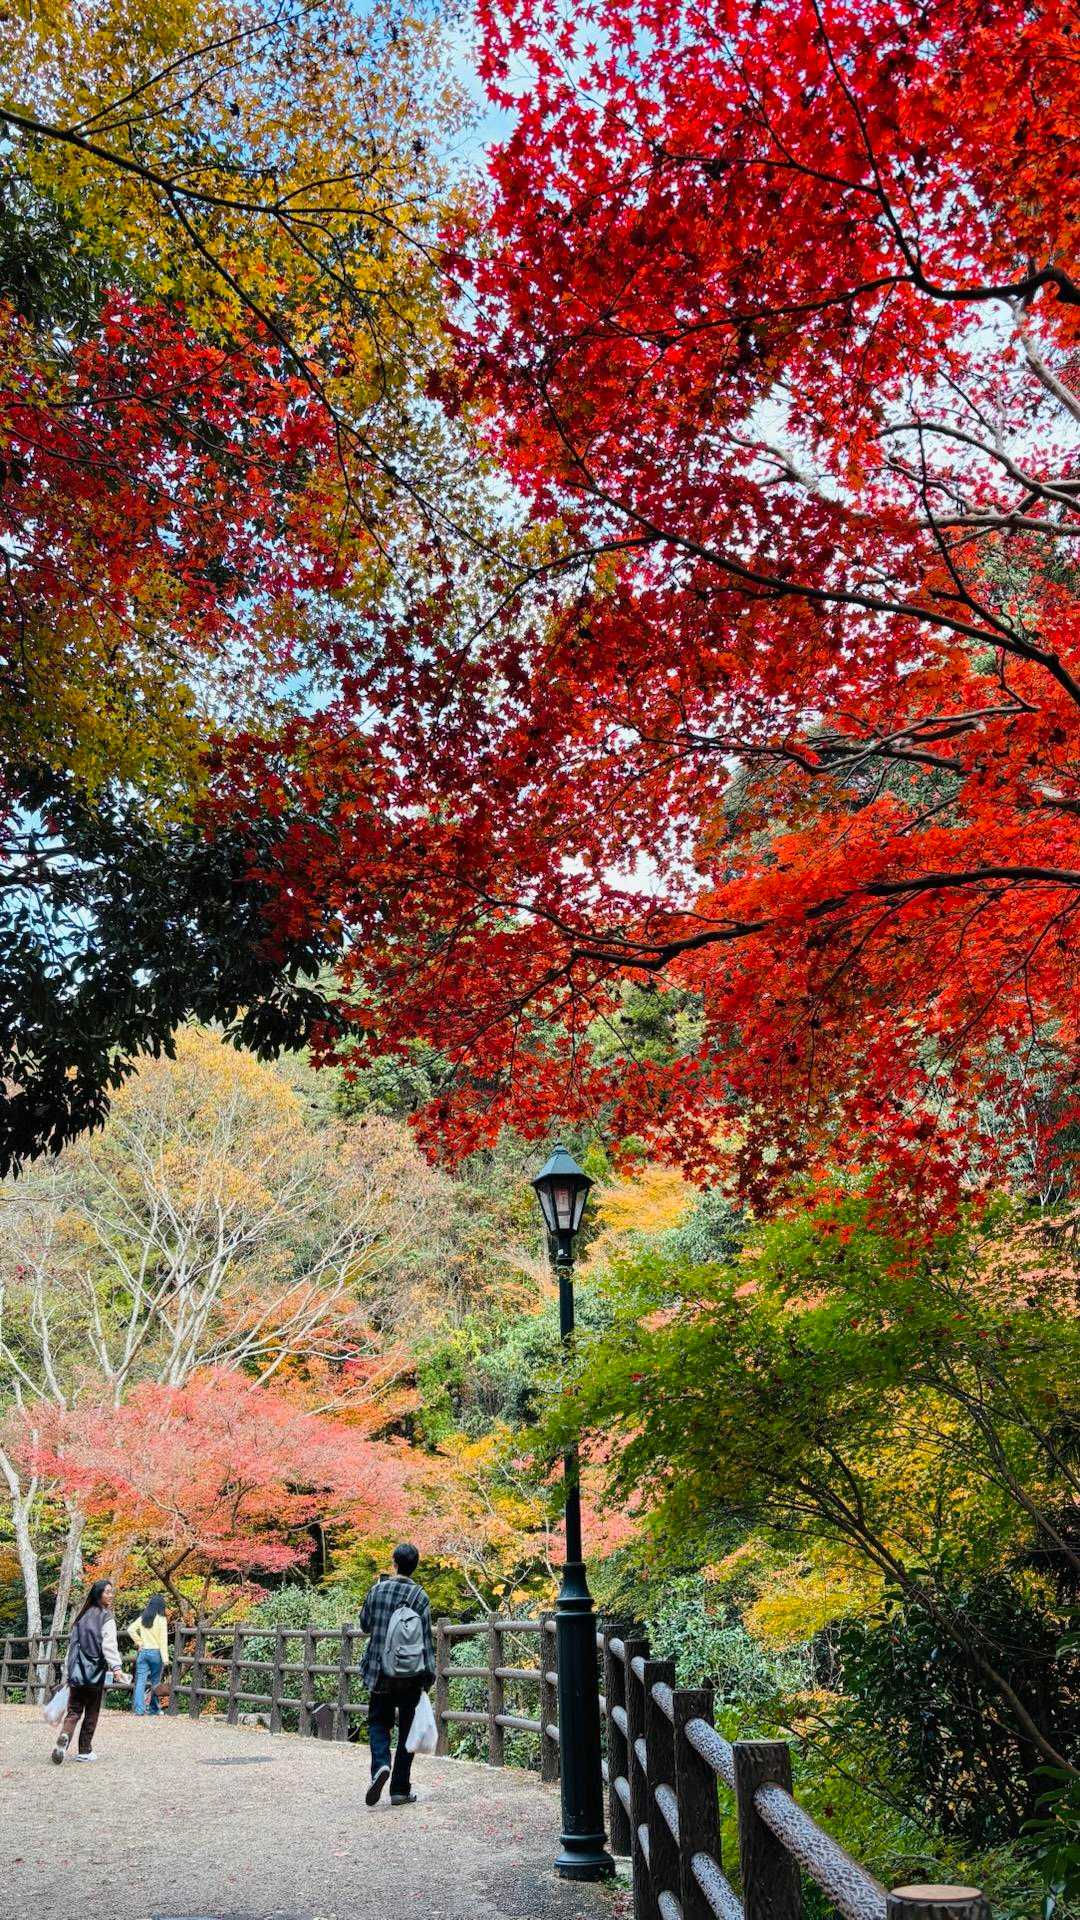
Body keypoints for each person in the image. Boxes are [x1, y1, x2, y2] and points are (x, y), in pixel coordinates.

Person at [359, 1543, 435, 1807]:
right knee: (407, 1730)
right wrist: (429, 1676)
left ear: (394, 1563)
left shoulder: (377, 1590)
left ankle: (381, 1764)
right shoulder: (420, 1596)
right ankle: (400, 1790)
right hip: (410, 1674)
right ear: (415, 1566)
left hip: (380, 1671)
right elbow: (426, 1641)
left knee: (378, 1722)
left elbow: (365, 1625)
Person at [51, 1578, 126, 1764]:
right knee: (92, 1711)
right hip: (95, 1673)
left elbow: (72, 1648)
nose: (111, 1594)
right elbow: (109, 1645)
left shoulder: (81, 1617)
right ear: (98, 1594)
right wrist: (116, 1667)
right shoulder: (106, 1617)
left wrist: (68, 1672)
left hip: (76, 1672)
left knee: (74, 1711)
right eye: (107, 1591)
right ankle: (85, 1751)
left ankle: (64, 1737)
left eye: (111, 1591)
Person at [127, 1593, 169, 1716]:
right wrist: (165, 1659)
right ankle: (154, 1709)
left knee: (140, 1681)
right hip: (156, 1653)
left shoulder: (143, 1617)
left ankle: (139, 1710)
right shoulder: (161, 1619)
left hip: (144, 1652)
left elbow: (130, 1629)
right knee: (155, 1682)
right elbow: (163, 1640)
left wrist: (140, 1643)